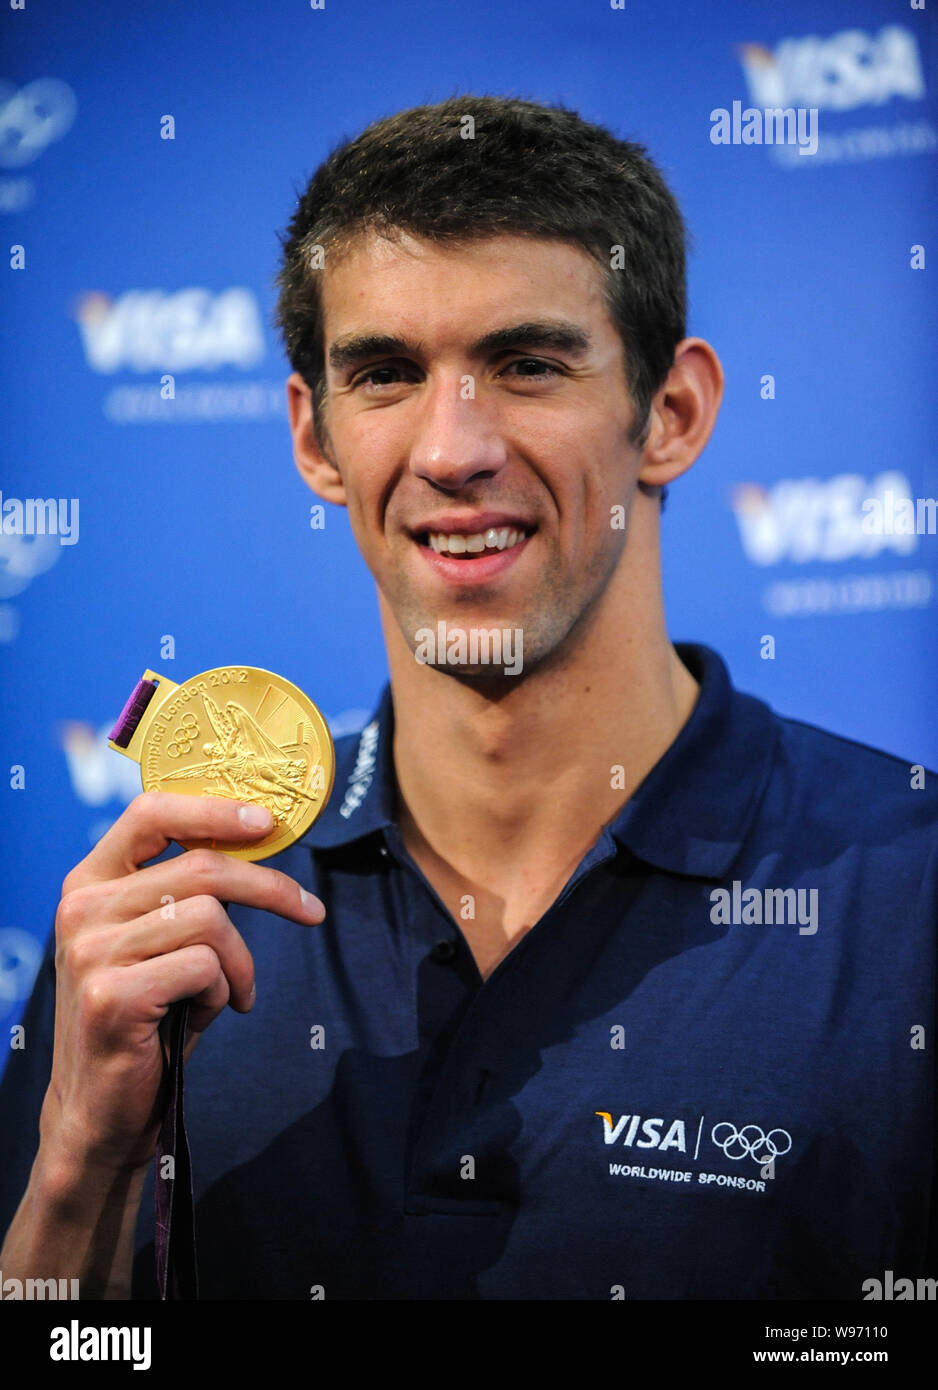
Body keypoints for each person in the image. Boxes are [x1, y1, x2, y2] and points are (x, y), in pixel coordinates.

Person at [1, 94, 936, 1301]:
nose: (452, 449)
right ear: (315, 438)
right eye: (386, 372)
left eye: (527, 364)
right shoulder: (159, 919)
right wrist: (78, 1173)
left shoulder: (908, 903)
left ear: (673, 413)